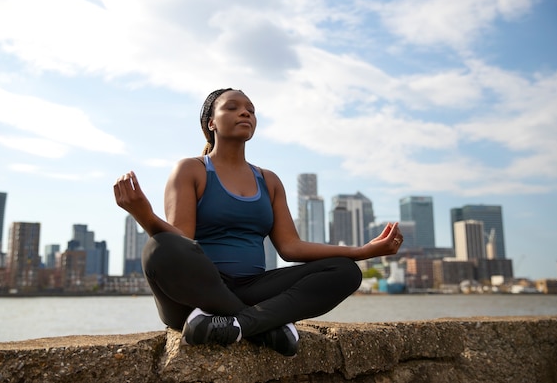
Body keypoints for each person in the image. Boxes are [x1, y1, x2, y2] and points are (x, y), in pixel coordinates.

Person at [113, 88, 403, 356]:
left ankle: (238, 325)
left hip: (253, 289)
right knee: (159, 248)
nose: (245, 113)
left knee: (345, 272)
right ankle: (266, 328)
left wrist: (362, 252)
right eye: (233, 107)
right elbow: (181, 242)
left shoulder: (269, 180)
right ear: (211, 123)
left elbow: (290, 248)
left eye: (251, 109)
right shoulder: (192, 170)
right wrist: (145, 216)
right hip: (196, 297)